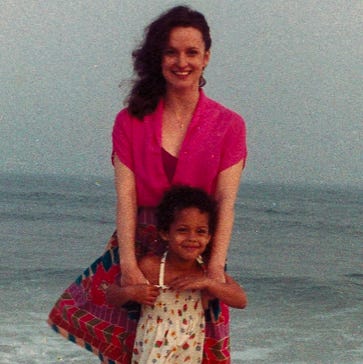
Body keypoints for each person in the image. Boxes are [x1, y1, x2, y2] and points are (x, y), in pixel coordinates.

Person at [48, 5, 247, 364]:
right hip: (137, 247)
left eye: (191, 52)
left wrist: (214, 269)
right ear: (158, 57)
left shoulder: (229, 124)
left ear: (206, 58)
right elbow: (126, 198)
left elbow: (225, 203)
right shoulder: (130, 120)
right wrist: (128, 266)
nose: (181, 61)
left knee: (195, 349)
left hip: (195, 249)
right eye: (171, 51)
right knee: (135, 349)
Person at [107, 185, 247, 364]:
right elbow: (111, 295)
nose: (192, 238)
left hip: (188, 355)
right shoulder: (151, 267)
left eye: (201, 231)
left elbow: (241, 301)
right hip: (152, 354)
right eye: (182, 230)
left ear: (210, 237)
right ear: (165, 233)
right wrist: (130, 293)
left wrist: (209, 284)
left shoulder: (207, 272)